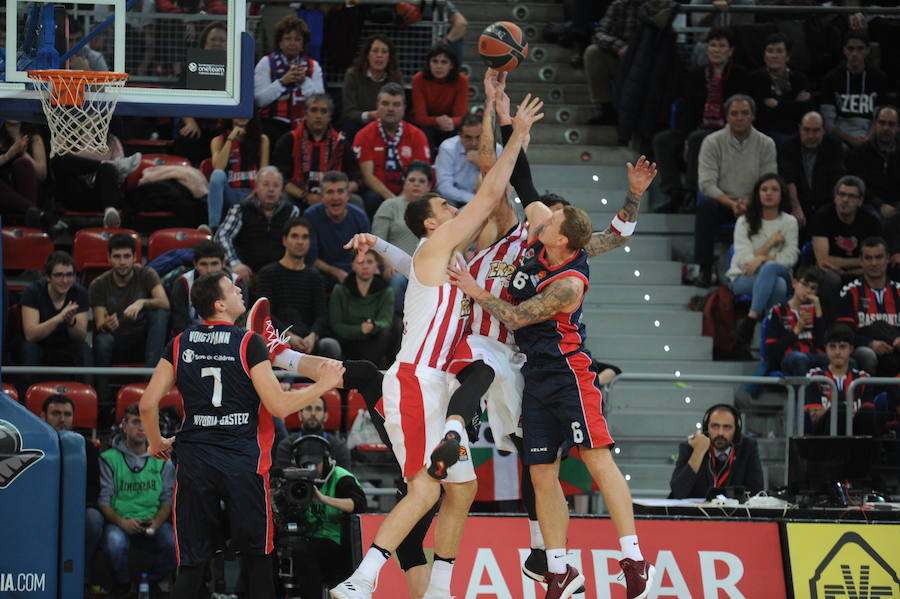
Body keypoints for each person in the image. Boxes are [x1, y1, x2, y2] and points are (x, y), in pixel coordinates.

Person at [329, 92, 543, 599]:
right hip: (415, 379)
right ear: (431, 224)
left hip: (437, 383)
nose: (455, 206)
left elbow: (406, 264)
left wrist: (376, 243)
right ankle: (362, 579)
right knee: (426, 488)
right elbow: (490, 195)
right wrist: (517, 134)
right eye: (446, 206)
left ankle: (441, 588)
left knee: (463, 489)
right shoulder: (437, 245)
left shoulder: (438, 260)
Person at [445, 153, 658, 596]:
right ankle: (558, 566)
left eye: (552, 217)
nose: (543, 214)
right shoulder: (542, 235)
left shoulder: (568, 283)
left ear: (561, 240)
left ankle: (634, 559)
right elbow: (527, 183)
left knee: (597, 459)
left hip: (569, 373)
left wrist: (475, 290)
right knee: (541, 469)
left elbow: (517, 317)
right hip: (535, 376)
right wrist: (511, 125)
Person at [139, 270, 346, 599]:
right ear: (219, 304)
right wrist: (322, 385)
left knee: (192, 564)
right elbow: (279, 406)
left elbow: (148, 404)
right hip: (243, 462)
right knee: (258, 559)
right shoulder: (249, 342)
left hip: (194, 463)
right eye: (232, 288)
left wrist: (155, 442)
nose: (239, 290)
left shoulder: (179, 343)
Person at [652, 27, 748, 213]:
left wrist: (692, 138)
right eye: (713, 45)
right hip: (699, 128)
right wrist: (685, 138)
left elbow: (744, 112)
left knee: (698, 139)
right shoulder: (697, 75)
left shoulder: (741, 75)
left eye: (721, 46)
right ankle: (674, 193)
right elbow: (687, 112)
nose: (716, 50)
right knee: (663, 140)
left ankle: (691, 193)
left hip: (728, 133)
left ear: (731, 50)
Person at [693, 94, 777, 287]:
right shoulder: (712, 142)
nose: (739, 118)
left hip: (755, 203)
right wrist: (732, 204)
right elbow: (706, 184)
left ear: (753, 116)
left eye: (744, 113)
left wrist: (750, 202)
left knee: (774, 201)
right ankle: (704, 268)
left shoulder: (766, 144)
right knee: (705, 204)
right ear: (727, 117)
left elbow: (769, 181)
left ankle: (767, 266)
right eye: (734, 114)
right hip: (723, 202)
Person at [98, 403, 176, 598]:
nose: (141, 428)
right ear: (124, 426)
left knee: (175, 543)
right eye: (135, 422)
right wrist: (122, 522)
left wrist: (156, 523)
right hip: (120, 523)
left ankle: (150, 582)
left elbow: (168, 501)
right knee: (114, 542)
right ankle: (124, 586)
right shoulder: (109, 458)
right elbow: (103, 502)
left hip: (152, 524)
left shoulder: (163, 460)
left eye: (146, 423)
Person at [275, 435, 366, 599]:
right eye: (306, 463)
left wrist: (323, 499)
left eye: (316, 463)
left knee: (305, 551)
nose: (312, 468)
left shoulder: (341, 477)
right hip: (310, 538)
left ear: (325, 459)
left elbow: (358, 505)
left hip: (339, 542)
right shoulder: (297, 480)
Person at [90, 233, 169, 404]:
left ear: (135, 257)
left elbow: (164, 303)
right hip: (117, 342)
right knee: (102, 340)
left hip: (145, 342)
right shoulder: (99, 284)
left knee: (160, 314)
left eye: (126, 256)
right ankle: (103, 403)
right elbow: (100, 323)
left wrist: (141, 302)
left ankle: (150, 384)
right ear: (109, 258)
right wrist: (107, 324)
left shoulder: (147, 274)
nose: (122, 261)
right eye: (117, 257)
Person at [725, 173, 799, 346]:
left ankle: (750, 321)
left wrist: (761, 259)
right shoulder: (744, 222)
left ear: (782, 195)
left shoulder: (789, 222)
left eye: (774, 189)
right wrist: (770, 244)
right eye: (764, 189)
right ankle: (773, 342)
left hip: (781, 272)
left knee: (771, 269)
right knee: (777, 285)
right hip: (743, 277)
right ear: (757, 194)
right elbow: (744, 260)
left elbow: (791, 257)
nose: (769, 193)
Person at [256, 217, 342, 360]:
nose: (300, 241)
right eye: (295, 236)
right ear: (284, 240)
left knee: (331, 346)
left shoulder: (315, 277)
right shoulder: (268, 273)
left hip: (308, 340)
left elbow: (322, 315)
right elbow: (264, 313)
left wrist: (313, 336)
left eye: (305, 237)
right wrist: (288, 336)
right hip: (276, 339)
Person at [40, 394, 103, 586]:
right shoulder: (33, 444)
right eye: (56, 413)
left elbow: (94, 487)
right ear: (43, 416)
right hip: (39, 509)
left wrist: (72, 506)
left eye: (67, 414)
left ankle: (79, 572)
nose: (62, 419)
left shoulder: (87, 447)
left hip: (76, 509)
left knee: (93, 519)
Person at [809, 175, 883, 320]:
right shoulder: (821, 217)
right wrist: (863, 261)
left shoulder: (871, 222)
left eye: (851, 196)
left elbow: (877, 262)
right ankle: (832, 324)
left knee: (876, 275)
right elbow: (823, 260)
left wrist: (848, 270)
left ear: (860, 201)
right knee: (832, 279)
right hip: (830, 273)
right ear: (835, 196)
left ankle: (873, 325)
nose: (845, 200)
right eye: (841, 194)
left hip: (860, 273)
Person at [352, 82, 430, 216]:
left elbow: (420, 173)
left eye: (396, 104)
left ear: (404, 107)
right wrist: (393, 200)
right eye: (385, 103)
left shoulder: (417, 135)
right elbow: (368, 176)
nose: (390, 109)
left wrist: (403, 198)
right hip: (378, 193)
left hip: (409, 191)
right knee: (372, 198)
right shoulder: (364, 135)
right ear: (377, 106)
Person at [273, 93, 361, 208]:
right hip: (298, 196)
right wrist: (305, 196)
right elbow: (280, 178)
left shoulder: (341, 143)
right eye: (314, 110)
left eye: (324, 111)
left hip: (333, 198)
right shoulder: (289, 140)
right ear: (305, 114)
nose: (318, 116)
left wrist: (335, 194)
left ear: (330, 117)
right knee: (281, 198)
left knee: (356, 201)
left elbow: (357, 180)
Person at [215, 165, 301, 280]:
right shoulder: (240, 209)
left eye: (276, 185)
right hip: (247, 273)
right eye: (266, 184)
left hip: (280, 273)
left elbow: (297, 243)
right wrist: (235, 264)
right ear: (256, 187)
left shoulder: (292, 211)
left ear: (281, 190)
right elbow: (221, 236)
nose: (271, 189)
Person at [19, 251, 91, 381]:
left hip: (66, 345)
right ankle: (23, 399)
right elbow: (31, 335)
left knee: (84, 349)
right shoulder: (33, 291)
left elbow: (81, 337)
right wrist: (59, 318)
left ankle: (89, 396)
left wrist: (70, 322)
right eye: (58, 275)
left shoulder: (79, 293)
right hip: (39, 344)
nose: (65, 280)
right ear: (48, 277)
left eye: (69, 275)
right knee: (29, 348)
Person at [835, 237, 900, 378]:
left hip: (896, 351)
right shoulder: (849, 292)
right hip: (865, 350)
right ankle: (866, 398)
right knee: (867, 354)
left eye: (879, 257)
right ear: (861, 261)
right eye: (869, 258)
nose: (874, 263)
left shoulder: (899, 291)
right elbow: (843, 333)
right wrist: (870, 343)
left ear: (888, 259)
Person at [254, 15, 325, 143]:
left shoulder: (313, 66)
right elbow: (259, 100)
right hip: (272, 122)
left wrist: (304, 81)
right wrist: (282, 82)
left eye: (297, 39)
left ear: (303, 44)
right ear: (280, 43)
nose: (292, 43)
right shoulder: (266, 63)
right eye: (287, 39)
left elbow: (321, 102)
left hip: (305, 124)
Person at [668, 404, 764, 499]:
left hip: (734, 513)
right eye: (715, 426)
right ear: (706, 428)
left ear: (736, 431)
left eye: (726, 427)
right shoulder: (691, 446)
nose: (720, 433)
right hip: (697, 513)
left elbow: (756, 492)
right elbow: (678, 492)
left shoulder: (748, 447)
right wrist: (698, 452)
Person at [50, 133, 142, 229]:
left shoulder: (111, 140)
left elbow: (117, 177)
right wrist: (96, 167)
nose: (92, 117)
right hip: (73, 195)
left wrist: (100, 172)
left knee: (108, 168)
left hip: (101, 197)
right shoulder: (64, 137)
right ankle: (108, 164)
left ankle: (110, 212)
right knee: (59, 159)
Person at [804, 324, 878, 435]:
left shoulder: (863, 379)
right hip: (823, 438)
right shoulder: (814, 376)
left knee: (863, 412)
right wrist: (845, 411)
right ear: (826, 349)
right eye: (832, 347)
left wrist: (830, 411)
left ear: (851, 349)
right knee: (839, 409)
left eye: (842, 347)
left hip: (856, 436)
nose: (837, 352)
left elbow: (866, 415)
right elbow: (815, 416)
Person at [821, 31, 888, 150]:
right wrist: (850, 139)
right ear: (844, 50)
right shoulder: (831, 78)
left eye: (860, 49)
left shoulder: (879, 78)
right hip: (840, 138)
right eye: (850, 49)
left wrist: (868, 138)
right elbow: (828, 122)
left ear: (867, 50)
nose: (855, 53)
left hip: (871, 135)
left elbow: (880, 116)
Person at [777, 111, 845, 228]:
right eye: (806, 130)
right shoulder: (788, 146)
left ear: (823, 130)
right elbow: (789, 179)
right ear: (800, 129)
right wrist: (796, 207)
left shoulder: (834, 146)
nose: (811, 136)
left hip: (826, 202)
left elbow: (837, 179)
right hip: (798, 201)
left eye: (816, 131)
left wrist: (835, 209)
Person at [174, 21, 229, 165]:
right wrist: (190, 121)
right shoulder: (191, 65)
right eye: (213, 39)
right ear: (204, 43)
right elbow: (180, 95)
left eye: (222, 40)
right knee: (187, 137)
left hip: (223, 125)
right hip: (196, 123)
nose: (217, 43)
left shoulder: (235, 69)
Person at [303, 171, 371, 288]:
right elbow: (311, 257)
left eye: (340, 191)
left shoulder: (360, 217)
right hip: (322, 271)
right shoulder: (310, 216)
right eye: (330, 192)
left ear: (348, 195)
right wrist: (336, 272)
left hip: (353, 271)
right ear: (322, 197)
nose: (335, 197)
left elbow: (365, 254)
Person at [329, 249, 395, 368]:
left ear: (376, 266)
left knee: (393, 328)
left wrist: (373, 326)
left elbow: (386, 320)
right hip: (346, 342)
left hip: (374, 342)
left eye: (369, 262)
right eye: (360, 262)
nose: (365, 266)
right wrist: (360, 329)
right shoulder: (340, 290)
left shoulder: (386, 291)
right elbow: (336, 325)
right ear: (353, 266)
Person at [745, 33, 812, 146]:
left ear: (787, 56)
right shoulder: (755, 78)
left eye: (779, 51)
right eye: (770, 51)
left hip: (794, 130)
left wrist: (778, 105)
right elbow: (761, 114)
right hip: (764, 131)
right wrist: (793, 104)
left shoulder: (800, 79)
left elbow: (805, 111)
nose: (774, 56)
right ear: (764, 55)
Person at [582, 0, 642, 125]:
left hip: (644, 59)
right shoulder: (619, 5)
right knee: (593, 52)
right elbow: (599, 34)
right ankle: (605, 108)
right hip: (618, 56)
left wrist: (633, 50)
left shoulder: (654, 8)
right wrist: (618, 46)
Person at [169, 239, 247, 333]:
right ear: (195, 264)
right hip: (194, 337)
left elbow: (240, 321)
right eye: (204, 264)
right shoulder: (183, 283)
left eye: (214, 264)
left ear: (223, 263)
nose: (209, 270)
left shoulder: (237, 282)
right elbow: (180, 324)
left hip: (228, 336)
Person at [764, 265, 829, 376]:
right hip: (790, 357)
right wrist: (797, 329)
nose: (808, 291)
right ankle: (802, 393)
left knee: (844, 360)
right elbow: (771, 351)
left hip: (814, 355)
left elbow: (823, 345)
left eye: (813, 288)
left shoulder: (819, 311)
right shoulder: (777, 312)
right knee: (800, 359)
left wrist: (818, 314)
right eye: (804, 285)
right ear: (794, 283)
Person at [207, 115, 270, 228]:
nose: (242, 116)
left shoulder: (262, 140)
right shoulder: (218, 140)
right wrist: (230, 139)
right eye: (239, 112)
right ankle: (213, 227)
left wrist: (250, 198)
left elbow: (264, 176)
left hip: (254, 195)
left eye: (246, 112)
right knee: (217, 174)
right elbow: (218, 166)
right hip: (230, 194)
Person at [340, 34, 404, 140]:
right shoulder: (353, 75)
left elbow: (400, 108)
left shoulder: (395, 77)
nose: (379, 55)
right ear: (367, 55)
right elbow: (348, 112)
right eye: (375, 51)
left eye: (384, 52)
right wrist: (370, 115)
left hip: (387, 123)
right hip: (359, 123)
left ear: (389, 57)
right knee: (349, 127)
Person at [410, 41, 469, 150]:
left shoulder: (462, 81)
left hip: (450, 126)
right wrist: (437, 121)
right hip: (426, 126)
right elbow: (419, 117)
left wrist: (451, 122)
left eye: (444, 62)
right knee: (423, 132)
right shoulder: (418, 79)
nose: (439, 66)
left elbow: (461, 116)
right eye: (435, 61)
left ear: (451, 65)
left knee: (460, 131)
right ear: (428, 63)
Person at [434, 113, 502, 207]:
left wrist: (482, 165)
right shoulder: (448, 148)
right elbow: (444, 187)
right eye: (468, 137)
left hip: (487, 201)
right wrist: (474, 200)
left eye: (478, 137)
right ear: (460, 135)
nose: (474, 143)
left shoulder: (497, 150)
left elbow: (500, 184)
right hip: (453, 201)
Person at [846, 105, 900, 219]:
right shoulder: (860, 152)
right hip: (870, 204)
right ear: (875, 125)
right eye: (882, 123)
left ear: (898, 127)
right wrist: (880, 205)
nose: (886, 128)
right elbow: (859, 185)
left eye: (891, 124)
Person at [274, 396, 351, 470]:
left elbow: (345, 481)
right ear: (300, 415)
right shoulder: (286, 446)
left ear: (325, 416)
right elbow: (282, 480)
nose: (313, 413)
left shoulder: (339, 448)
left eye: (318, 409)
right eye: (308, 408)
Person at [0, 120, 47, 219]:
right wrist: (9, 154)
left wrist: (23, 153)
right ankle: (33, 211)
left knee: (23, 163)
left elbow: (42, 175)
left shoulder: (35, 138)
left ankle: (31, 213)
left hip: (28, 192)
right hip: (4, 194)